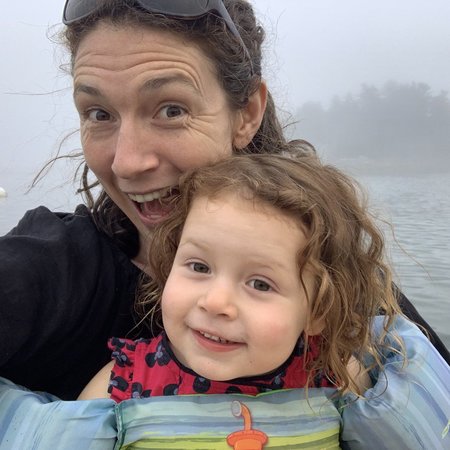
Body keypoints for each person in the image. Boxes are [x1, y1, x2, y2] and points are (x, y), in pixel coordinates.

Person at [0, 0, 448, 402]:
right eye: (99, 114)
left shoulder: (332, 275)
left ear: (247, 114)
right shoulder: (50, 270)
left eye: (171, 110)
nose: (127, 162)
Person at [78, 152, 407, 402]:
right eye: (199, 267)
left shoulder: (336, 380)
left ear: (317, 311)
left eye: (260, 284)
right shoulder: (119, 385)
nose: (215, 302)